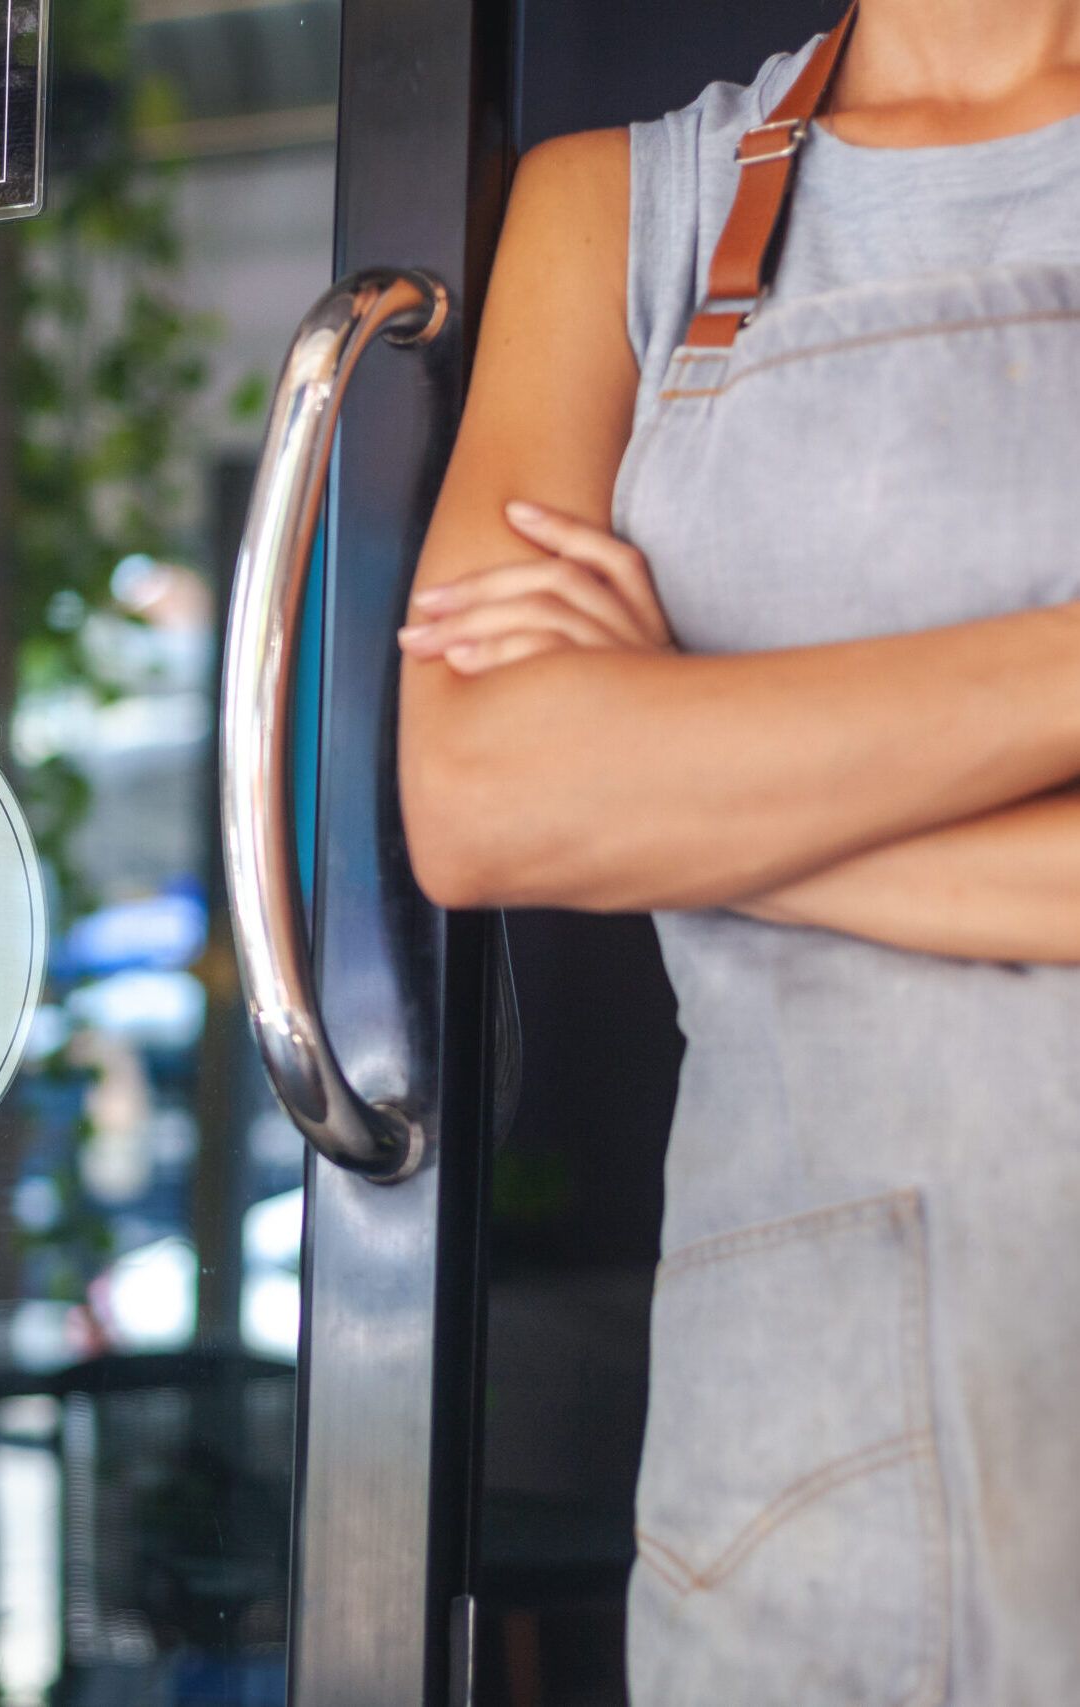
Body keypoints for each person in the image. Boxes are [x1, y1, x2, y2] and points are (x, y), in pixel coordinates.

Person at [397, 1, 1080, 1700]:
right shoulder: (619, 211)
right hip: (811, 1486)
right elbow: (483, 798)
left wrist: (676, 788)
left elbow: (565, 806)